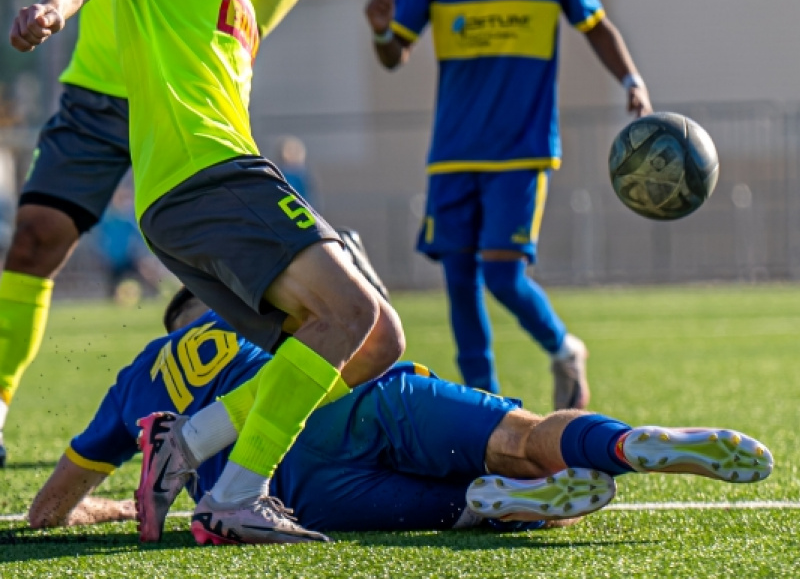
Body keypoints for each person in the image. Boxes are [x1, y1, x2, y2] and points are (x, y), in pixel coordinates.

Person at [10, 0, 405, 545]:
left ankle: (188, 448)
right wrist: (52, 10)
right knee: (352, 316)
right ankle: (234, 492)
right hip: (209, 176)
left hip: (205, 191)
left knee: (374, 339)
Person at [0, 0, 306, 468]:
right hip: (96, 89)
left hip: (177, 101)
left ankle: (235, 430)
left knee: (243, 289)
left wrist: (229, 49)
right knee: (33, 241)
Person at [27, 280, 773, 538]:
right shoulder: (266, 311)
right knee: (522, 435)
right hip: (358, 403)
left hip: (296, 491)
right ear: (216, 301)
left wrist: (114, 509)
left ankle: (500, 504)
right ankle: (632, 442)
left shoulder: (134, 381)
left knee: (468, 507)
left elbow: (49, 510)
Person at [364, 0, 653, 408]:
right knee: (458, 281)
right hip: (452, 151)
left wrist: (631, 78)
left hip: (520, 149)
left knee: (500, 274)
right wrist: (379, 31)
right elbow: (396, 54)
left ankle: (564, 348)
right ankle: (487, 410)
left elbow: (593, 25)